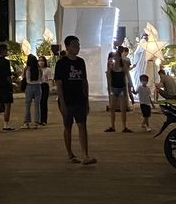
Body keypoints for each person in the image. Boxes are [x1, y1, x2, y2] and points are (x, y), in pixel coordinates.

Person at [55, 35, 96, 165]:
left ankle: (85, 155)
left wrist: (87, 99)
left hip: (80, 99)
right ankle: (70, 154)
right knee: (68, 127)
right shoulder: (61, 63)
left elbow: (84, 81)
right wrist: (62, 102)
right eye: (74, 45)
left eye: (78, 45)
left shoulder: (81, 62)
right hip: (67, 99)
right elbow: (59, 84)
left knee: (82, 126)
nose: (77, 47)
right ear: (67, 47)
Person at [105, 45, 133, 133]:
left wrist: (130, 86)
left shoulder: (122, 65)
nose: (115, 58)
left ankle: (124, 126)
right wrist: (109, 89)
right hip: (114, 88)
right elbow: (109, 76)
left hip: (121, 88)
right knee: (112, 108)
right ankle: (113, 126)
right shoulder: (111, 65)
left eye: (117, 56)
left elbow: (127, 75)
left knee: (122, 109)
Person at [21, 54, 42, 129]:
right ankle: (36, 122)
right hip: (38, 87)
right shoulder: (38, 68)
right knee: (37, 105)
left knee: (27, 105)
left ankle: (26, 122)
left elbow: (27, 79)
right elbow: (41, 78)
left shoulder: (27, 69)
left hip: (29, 86)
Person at [38, 56, 53, 126]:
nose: (41, 62)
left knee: (44, 102)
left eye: (42, 61)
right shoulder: (37, 69)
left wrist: (50, 88)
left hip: (45, 86)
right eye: (39, 60)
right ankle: (38, 119)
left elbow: (50, 79)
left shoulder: (48, 70)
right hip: (38, 86)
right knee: (39, 103)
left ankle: (44, 120)